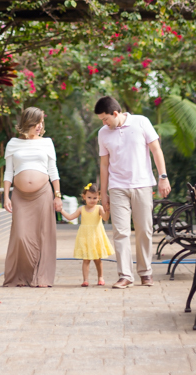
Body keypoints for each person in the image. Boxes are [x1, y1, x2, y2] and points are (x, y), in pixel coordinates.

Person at [95, 96, 171, 289]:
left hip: (142, 184)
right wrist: (104, 194)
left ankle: (146, 272)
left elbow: (156, 150)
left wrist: (163, 177)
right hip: (117, 187)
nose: (104, 123)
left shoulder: (141, 122)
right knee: (120, 232)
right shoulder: (103, 133)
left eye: (105, 119)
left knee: (144, 229)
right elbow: (104, 165)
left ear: (115, 113)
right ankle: (125, 275)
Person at [2, 106, 62, 287]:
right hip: (20, 196)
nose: (39, 126)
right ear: (27, 122)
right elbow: (9, 172)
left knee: (43, 236)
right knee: (20, 236)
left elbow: (53, 171)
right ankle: (22, 276)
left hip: (43, 193)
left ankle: (41, 277)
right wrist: (6, 197)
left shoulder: (47, 143)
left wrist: (58, 195)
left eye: (41, 122)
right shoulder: (13, 143)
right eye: (37, 122)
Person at [62, 182, 113, 287]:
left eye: (94, 198)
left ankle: (100, 277)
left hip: (96, 237)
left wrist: (107, 210)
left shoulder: (99, 208)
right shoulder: (82, 209)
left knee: (97, 259)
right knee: (86, 259)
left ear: (98, 198)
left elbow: (105, 218)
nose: (92, 200)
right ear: (84, 197)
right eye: (89, 197)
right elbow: (70, 217)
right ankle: (85, 280)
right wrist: (61, 210)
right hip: (85, 237)